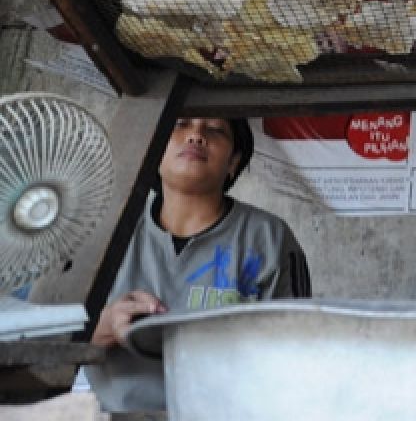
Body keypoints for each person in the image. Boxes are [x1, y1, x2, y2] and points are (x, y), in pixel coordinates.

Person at [85, 117, 311, 412]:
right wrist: (104, 327)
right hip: (118, 415)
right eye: (180, 124)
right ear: (154, 149)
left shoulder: (268, 238)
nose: (196, 135)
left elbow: (297, 352)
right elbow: (43, 343)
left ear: (234, 162)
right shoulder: (103, 231)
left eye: (215, 130)